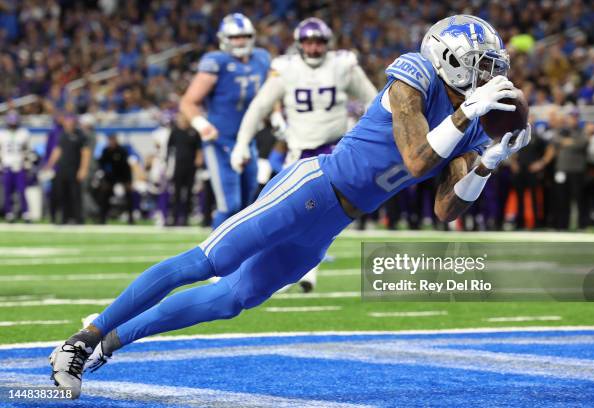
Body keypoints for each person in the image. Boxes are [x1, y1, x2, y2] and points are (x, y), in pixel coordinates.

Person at [49, 15, 530, 399]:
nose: (491, 74)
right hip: (310, 187)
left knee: (233, 299)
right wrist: (468, 112)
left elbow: (447, 210)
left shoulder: (471, 126)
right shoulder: (415, 74)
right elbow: (415, 156)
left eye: (493, 64)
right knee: (208, 262)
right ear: (447, 59)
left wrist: (488, 160)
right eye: (480, 63)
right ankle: (81, 340)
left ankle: (110, 342)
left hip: (332, 222)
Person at [231, 17, 378, 291]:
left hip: (334, 149)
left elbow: (376, 100)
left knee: (326, 213)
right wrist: (242, 142)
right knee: (278, 209)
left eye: (318, 42)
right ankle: (244, 264)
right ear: (299, 44)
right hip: (297, 150)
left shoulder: (343, 65)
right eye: (308, 43)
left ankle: (308, 269)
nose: (313, 49)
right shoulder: (286, 69)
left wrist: (363, 134)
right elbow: (259, 107)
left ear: (327, 44)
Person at [179, 13, 270, 228]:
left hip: (247, 140)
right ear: (224, 39)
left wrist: (275, 114)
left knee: (250, 205)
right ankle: (214, 258)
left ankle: (242, 257)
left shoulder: (262, 58)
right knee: (229, 205)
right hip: (221, 141)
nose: (241, 41)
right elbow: (188, 102)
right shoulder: (215, 62)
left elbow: (269, 92)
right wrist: (202, 124)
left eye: (245, 36)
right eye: (235, 37)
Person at [43, 114, 91, 224]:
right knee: (62, 194)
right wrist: (49, 165)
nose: (68, 126)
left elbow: (85, 153)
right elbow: (57, 150)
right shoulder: (62, 135)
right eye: (66, 123)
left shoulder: (80, 135)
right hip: (62, 169)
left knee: (75, 195)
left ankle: (78, 219)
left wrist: (83, 169)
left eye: (70, 123)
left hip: (75, 169)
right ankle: (65, 218)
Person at [167, 113, 203, 226]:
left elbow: (199, 148)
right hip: (178, 166)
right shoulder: (175, 132)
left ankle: (185, 218)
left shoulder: (193, 132)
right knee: (176, 192)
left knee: (188, 192)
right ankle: (174, 217)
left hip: (191, 166)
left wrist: (198, 158)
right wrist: (168, 163)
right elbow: (169, 148)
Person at [0, 111, 31, 221]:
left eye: (14, 122)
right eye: (11, 123)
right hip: (7, 165)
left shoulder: (23, 133)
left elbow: (27, 151)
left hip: (19, 165)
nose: (13, 125)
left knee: (22, 190)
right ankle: (9, 213)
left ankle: (25, 213)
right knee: (7, 191)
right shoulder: (2, 134)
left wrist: (27, 165)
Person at [96, 134, 134, 224]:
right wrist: (104, 179)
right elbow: (101, 165)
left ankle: (131, 218)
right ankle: (102, 218)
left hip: (123, 176)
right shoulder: (106, 151)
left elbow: (126, 167)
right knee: (104, 194)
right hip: (110, 177)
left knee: (129, 196)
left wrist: (128, 181)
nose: (111, 142)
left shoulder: (122, 151)